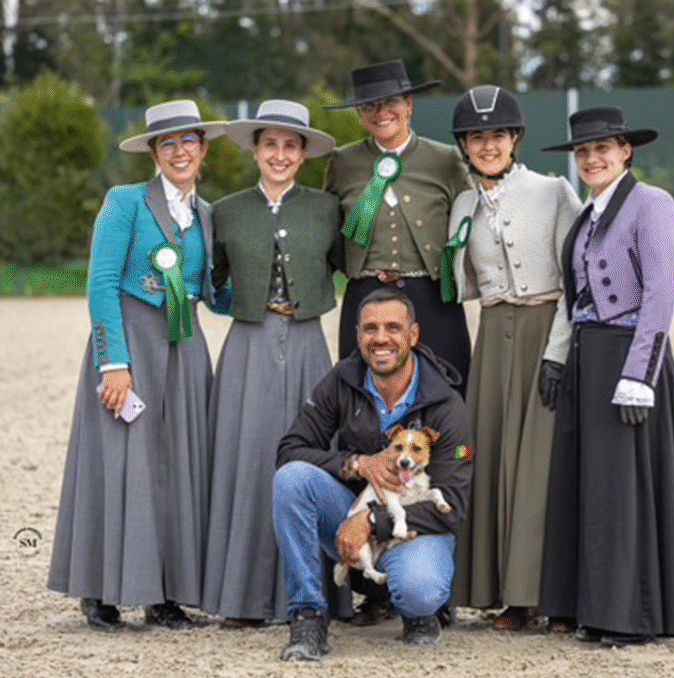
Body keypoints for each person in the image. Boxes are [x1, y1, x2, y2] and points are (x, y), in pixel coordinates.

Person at [47, 100, 231, 631]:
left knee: (176, 467)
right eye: (167, 143)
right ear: (154, 152)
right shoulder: (124, 201)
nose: (179, 151)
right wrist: (114, 362)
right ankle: (99, 591)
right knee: (118, 461)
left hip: (185, 347)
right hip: (131, 346)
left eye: (189, 140)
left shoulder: (208, 214)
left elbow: (214, 296)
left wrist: (262, 287)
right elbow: (101, 283)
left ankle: (165, 595)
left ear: (203, 148)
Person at [538, 107, 674, 646]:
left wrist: (639, 376)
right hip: (587, 356)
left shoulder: (653, 204)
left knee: (621, 489)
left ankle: (629, 616)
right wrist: (557, 357)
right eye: (583, 151)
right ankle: (589, 609)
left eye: (602, 148)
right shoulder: (588, 214)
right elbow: (574, 298)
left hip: (628, 359)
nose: (592, 159)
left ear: (626, 151)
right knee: (588, 487)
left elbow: (660, 295)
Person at [442, 85, 582, 631]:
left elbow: (576, 283)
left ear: (515, 138)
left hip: (544, 329)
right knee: (496, 462)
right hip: (493, 335)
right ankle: (509, 595)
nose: (487, 145)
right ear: (463, 145)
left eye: (497, 135)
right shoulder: (463, 205)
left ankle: (551, 595)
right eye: (476, 137)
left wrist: (557, 352)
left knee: (539, 467)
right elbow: (464, 286)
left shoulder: (554, 192)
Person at [272, 287, 472, 660]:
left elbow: (454, 506)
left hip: (412, 528)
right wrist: (357, 464)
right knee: (291, 478)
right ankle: (308, 613)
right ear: (358, 335)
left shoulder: (446, 403)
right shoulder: (342, 379)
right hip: (348, 510)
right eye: (370, 329)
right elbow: (291, 449)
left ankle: (417, 612)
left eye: (393, 328)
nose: (381, 339)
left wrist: (372, 520)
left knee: (421, 590)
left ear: (413, 335)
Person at [202, 100, 341, 626]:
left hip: (308, 342)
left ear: (303, 154)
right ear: (255, 151)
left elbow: (350, 261)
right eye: (270, 145)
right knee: (248, 459)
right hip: (249, 343)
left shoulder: (326, 208)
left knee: (309, 457)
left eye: (290, 146)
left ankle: (316, 593)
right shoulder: (226, 210)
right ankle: (242, 598)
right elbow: (209, 281)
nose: (279, 155)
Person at [323, 59, 471, 397]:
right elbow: (329, 232)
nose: (381, 112)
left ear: (409, 104)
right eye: (369, 106)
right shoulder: (343, 163)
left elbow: (469, 223)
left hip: (432, 298)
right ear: (359, 114)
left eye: (390, 102)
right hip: (365, 296)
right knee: (363, 396)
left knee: (444, 392)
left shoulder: (445, 160)